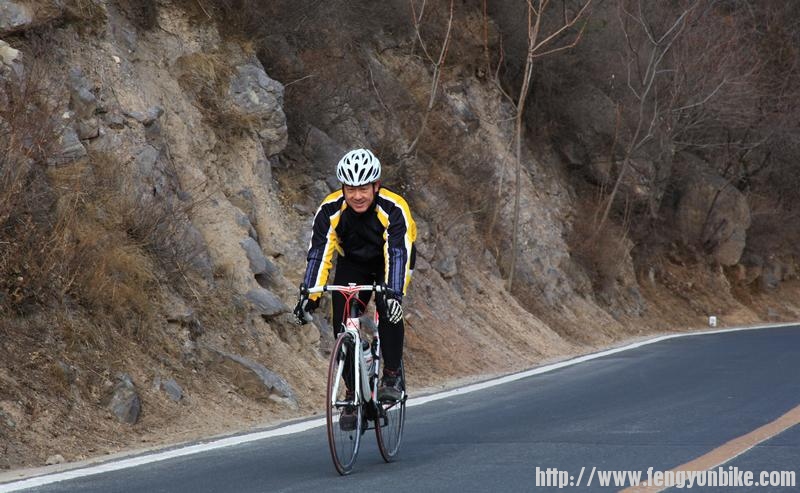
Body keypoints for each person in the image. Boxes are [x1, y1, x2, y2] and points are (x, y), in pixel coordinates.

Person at [293, 148, 416, 416]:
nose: (357, 196)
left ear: (376, 186)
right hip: (354, 262)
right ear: (343, 188)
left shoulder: (394, 208)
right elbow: (319, 252)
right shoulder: (329, 209)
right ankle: (352, 392)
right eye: (351, 189)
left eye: (363, 188)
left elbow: (397, 252)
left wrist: (394, 294)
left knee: (388, 307)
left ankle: (392, 374)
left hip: (391, 261)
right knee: (342, 323)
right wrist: (309, 296)